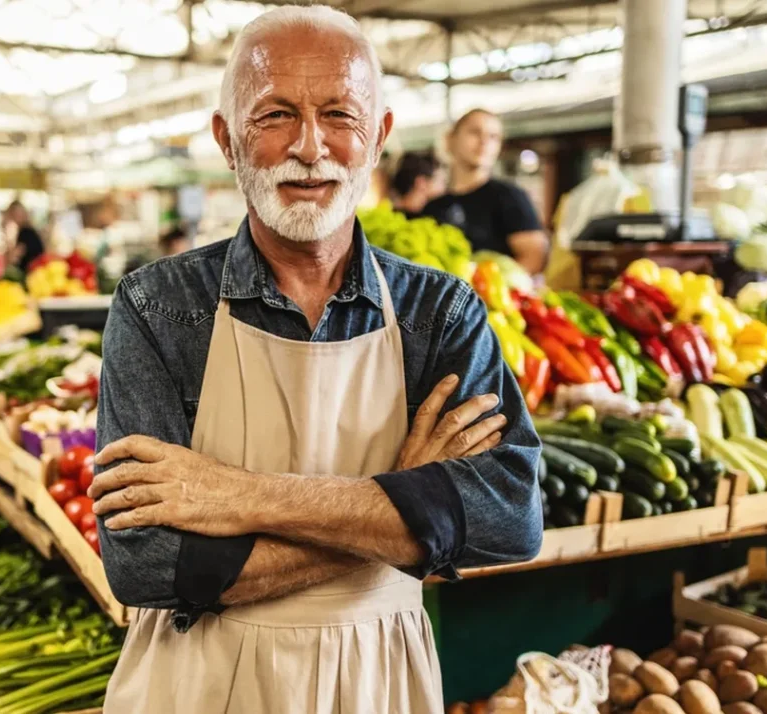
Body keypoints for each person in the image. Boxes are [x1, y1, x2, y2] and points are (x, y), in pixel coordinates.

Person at [88, 7, 542, 713]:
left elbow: (511, 515)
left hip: (377, 681)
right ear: (227, 139)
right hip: (198, 686)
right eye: (274, 116)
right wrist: (406, 503)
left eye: (340, 115)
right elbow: (145, 564)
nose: (310, 146)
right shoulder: (158, 308)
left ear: (380, 136)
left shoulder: (439, 312)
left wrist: (236, 495)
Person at [421, 108, 548, 274]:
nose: (484, 142)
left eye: (493, 137)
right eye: (474, 132)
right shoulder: (433, 207)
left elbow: (534, 257)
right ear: (450, 139)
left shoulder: (510, 197)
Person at [391, 150, 446, 218]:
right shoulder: (424, 221)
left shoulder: (390, 214)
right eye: (442, 181)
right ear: (421, 183)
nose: (444, 187)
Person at [7, 200, 44, 274]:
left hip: (32, 273)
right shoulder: (29, 230)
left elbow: (15, 256)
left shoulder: (25, 232)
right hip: (37, 272)